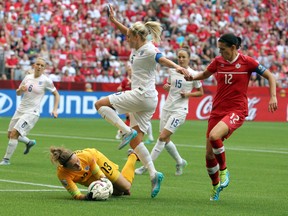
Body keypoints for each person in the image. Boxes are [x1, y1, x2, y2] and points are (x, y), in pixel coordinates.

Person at [95, 5, 188, 198]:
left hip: (141, 94)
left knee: (100, 105)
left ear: (137, 38)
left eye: (129, 37)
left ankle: (125, 130)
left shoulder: (148, 49)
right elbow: (127, 31)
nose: (126, 39)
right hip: (148, 99)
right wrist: (114, 21)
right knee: (137, 142)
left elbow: (161, 58)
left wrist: (178, 67)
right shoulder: (138, 44)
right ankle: (154, 174)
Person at [182, 33, 278, 201]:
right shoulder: (218, 61)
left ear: (233, 48)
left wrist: (273, 96)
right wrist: (192, 77)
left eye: (223, 49)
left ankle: (224, 170)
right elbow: (205, 74)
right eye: (219, 49)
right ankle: (215, 186)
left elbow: (270, 76)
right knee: (209, 155)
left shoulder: (247, 62)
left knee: (214, 136)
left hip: (236, 110)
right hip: (217, 111)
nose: (220, 52)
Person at [135, 46, 204, 176]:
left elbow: (200, 92)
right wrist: (168, 87)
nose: (181, 59)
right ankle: (180, 161)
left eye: (184, 57)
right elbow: (171, 86)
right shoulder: (172, 71)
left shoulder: (194, 74)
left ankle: (146, 167)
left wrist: (188, 95)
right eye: (179, 57)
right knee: (166, 140)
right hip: (167, 108)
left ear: (189, 59)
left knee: (161, 137)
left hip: (180, 110)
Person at [0, 57, 60, 165]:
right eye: (38, 64)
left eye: (42, 65)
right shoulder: (27, 77)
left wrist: (55, 109)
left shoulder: (46, 81)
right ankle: (29, 142)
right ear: (34, 65)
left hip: (32, 112)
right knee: (9, 135)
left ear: (44, 68)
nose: (39, 67)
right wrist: (20, 90)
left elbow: (56, 94)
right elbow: (18, 93)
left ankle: (6, 160)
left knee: (14, 134)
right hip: (20, 110)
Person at [50, 146, 138, 200]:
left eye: (77, 161)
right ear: (66, 167)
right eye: (74, 165)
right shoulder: (63, 175)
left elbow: (97, 172)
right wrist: (88, 197)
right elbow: (76, 195)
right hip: (86, 178)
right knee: (117, 193)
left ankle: (133, 155)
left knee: (126, 187)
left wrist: (104, 180)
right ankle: (120, 188)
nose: (79, 165)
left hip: (97, 161)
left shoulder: (86, 155)